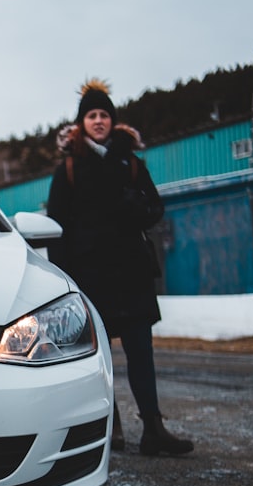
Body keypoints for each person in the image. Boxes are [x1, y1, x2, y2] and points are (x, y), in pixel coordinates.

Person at [46, 78, 193, 456]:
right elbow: (57, 228)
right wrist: (65, 283)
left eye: (104, 115)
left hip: (131, 274)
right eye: (92, 115)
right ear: (81, 123)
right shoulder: (69, 170)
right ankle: (111, 430)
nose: (99, 121)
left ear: (113, 120)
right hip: (91, 278)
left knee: (142, 351)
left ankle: (154, 430)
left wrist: (138, 208)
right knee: (100, 359)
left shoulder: (131, 162)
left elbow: (155, 208)